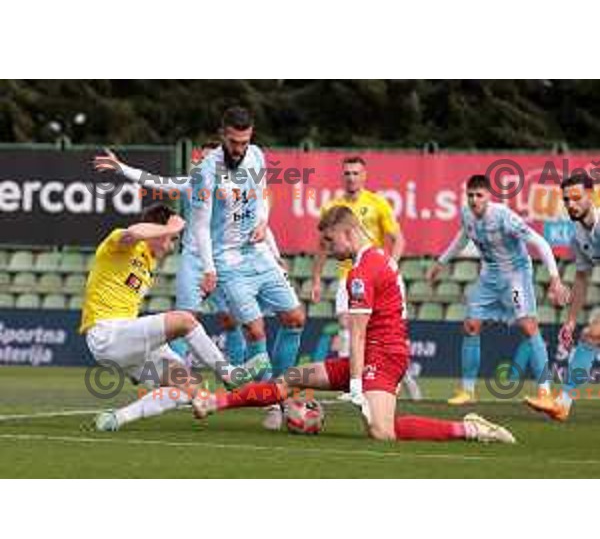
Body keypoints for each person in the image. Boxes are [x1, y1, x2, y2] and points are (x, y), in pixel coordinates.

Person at [193, 206, 516, 445]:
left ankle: (470, 428)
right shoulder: (377, 257)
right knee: (290, 379)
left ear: (348, 233)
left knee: (381, 432)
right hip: (378, 355)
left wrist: (357, 384)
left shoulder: (361, 274)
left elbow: (358, 333)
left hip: (383, 358)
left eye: (331, 241)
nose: (329, 249)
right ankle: (215, 402)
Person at [93, 140, 282, 367]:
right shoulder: (193, 183)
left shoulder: (237, 190)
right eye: (201, 159)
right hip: (194, 260)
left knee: (233, 320)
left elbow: (257, 221)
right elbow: (156, 181)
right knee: (185, 317)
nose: (204, 163)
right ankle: (178, 370)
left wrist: (275, 253)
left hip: (224, 259)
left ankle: (239, 374)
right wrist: (121, 168)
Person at [82, 203, 255, 432]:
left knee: (190, 388)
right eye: (171, 238)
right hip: (107, 334)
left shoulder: (149, 262)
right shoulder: (119, 246)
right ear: (157, 230)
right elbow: (135, 232)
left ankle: (116, 419)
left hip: (127, 344)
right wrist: (170, 226)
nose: (172, 246)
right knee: (184, 320)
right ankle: (228, 373)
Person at [193, 106, 305, 430]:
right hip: (227, 260)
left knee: (295, 319)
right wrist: (209, 269)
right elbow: (200, 226)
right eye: (233, 142)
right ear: (221, 135)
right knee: (255, 330)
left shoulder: (256, 156)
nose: (239, 149)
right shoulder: (205, 171)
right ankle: (273, 401)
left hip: (257, 252)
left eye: (244, 142)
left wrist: (264, 224)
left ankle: (280, 388)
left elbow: (262, 196)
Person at [427, 174, 569, 405]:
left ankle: (545, 392)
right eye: (470, 195)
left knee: (528, 326)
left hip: (515, 276)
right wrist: (441, 262)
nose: (474, 200)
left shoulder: (503, 217)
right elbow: (463, 238)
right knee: (471, 325)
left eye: (479, 195)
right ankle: (467, 391)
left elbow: (540, 242)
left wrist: (554, 278)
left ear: (488, 196)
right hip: (489, 277)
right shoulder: (467, 214)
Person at [311, 156, 421, 401]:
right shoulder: (333, 208)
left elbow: (398, 239)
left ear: (364, 176)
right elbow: (322, 246)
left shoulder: (378, 203)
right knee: (348, 326)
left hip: (376, 274)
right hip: (347, 276)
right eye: (347, 173)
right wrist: (317, 279)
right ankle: (354, 383)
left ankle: (395, 377)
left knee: (384, 331)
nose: (351, 177)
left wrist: (391, 265)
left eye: (356, 173)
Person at [526, 171, 600, 421]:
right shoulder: (579, 235)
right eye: (566, 200)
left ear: (591, 195)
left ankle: (563, 404)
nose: (571, 204)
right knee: (590, 336)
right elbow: (581, 279)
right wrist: (570, 320)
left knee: (593, 334)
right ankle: (563, 404)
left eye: (576, 197)